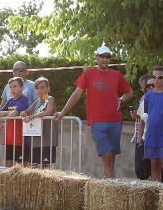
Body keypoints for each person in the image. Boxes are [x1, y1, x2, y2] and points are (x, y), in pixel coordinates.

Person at [55, 45, 132, 179]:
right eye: (102, 56)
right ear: (96, 57)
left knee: (111, 157)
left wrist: (121, 100)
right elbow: (76, 94)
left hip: (115, 121)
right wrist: (63, 112)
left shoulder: (116, 75)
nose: (105, 59)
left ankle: (108, 184)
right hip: (97, 122)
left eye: (108, 57)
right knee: (106, 154)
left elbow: (129, 92)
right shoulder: (88, 73)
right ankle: (109, 186)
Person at [142, 65, 163, 182]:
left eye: (160, 77)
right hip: (151, 135)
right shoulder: (148, 96)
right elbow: (147, 114)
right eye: (154, 77)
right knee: (153, 165)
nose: (156, 80)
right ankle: (154, 190)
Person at [21, 77, 58, 168]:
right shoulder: (36, 101)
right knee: (32, 165)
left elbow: (48, 112)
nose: (39, 90)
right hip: (36, 140)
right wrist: (23, 113)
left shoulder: (50, 99)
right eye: (37, 88)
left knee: (46, 166)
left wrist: (32, 116)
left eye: (42, 87)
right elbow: (27, 111)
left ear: (48, 88)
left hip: (47, 139)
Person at [0, 76, 30, 167]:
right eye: (11, 87)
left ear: (21, 88)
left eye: (15, 86)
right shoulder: (10, 101)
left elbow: (15, 113)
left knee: (21, 166)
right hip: (10, 138)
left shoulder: (24, 99)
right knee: (8, 164)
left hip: (21, 138)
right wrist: (10, 113)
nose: (12, 89)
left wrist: (8, 115)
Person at [131, 75, 154, 180]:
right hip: (140, 136)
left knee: (150, 167)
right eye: (144, 88)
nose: (146, 90)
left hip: (150, 137)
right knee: (140, 168)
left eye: (149, 86)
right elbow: (141, 119)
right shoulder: (143, 98)